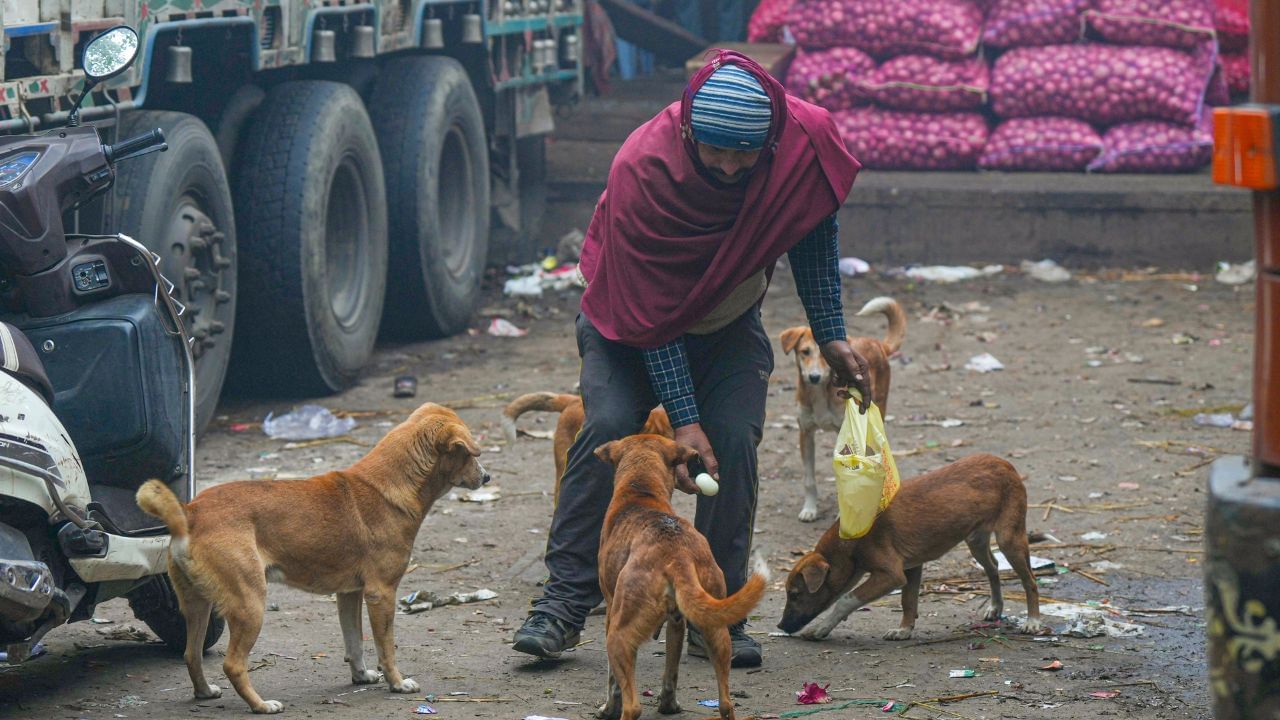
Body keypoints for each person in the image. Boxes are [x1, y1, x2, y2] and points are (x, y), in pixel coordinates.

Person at [512, 51, 868, 668]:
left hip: (727, 326)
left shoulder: (801, 144)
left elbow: (810, 233)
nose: (730, 168)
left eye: (744, 154)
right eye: (715, 152)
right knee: (608, 428)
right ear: (687, 134)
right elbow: (653, 318)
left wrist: (832, 332)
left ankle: (712, 608)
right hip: (626, 325)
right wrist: (682, 418)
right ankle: (564, 601)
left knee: (730, 437)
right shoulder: (643, 169)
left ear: (772, 140)